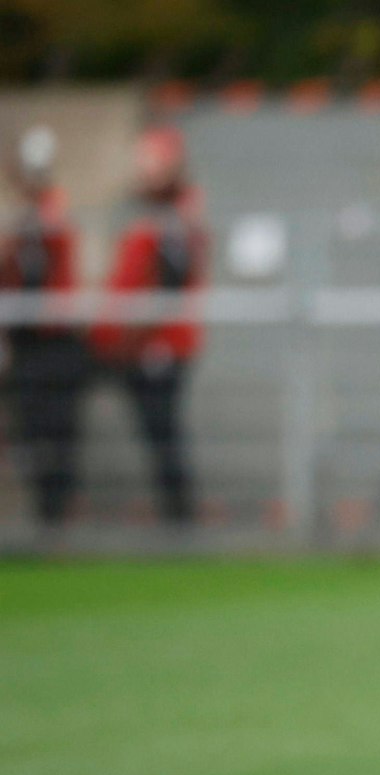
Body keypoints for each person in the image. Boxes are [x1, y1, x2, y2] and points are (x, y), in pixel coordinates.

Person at [90, 124, 206, 526]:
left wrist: (131, 339)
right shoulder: (154, 214)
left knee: (163, 432)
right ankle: (176, 514)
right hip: (131, 341)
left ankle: (180, 517)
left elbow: (169, 287)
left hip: (157, 346)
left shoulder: (178, 216)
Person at [0, 125, 88, 529]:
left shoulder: (55, 219)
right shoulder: (18, 230)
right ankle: (42, 517)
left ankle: (58, 518)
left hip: (58, 343)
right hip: (26, 346)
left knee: (60, 433)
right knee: (31, 432)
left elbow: (62, 251)